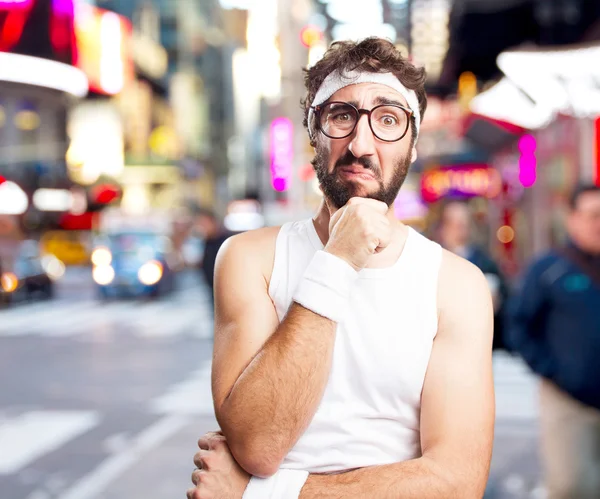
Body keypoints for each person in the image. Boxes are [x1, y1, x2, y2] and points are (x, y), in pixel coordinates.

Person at [187, 37, 494, 499]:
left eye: (388, 119)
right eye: (341, 116)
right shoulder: (250, 258)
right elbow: (259, 444)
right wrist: (337, 260)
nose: (360, 144)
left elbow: (456, 481)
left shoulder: (456, 285)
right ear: (314, 135)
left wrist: (266, 493)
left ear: (412, 147)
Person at [507, 184, 600, 499]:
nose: (597, 223)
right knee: (572, 486)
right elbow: (518, 325)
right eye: (592, 215)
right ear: (572, 218)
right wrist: (553, 370)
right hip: (567, 402)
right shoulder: (549, 269)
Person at [438, 200, 510, 350]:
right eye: (454, 223)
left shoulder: (486, 265)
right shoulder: (431, 261)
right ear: (442, 228)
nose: (459, 229)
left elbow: (499, 305)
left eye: (463, 223)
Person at [195, 208, 232, 307]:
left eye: (204, 223)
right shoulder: (206, 241)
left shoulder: (226, 241)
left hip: (227, 289)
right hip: (213, 288)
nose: (202, 227)